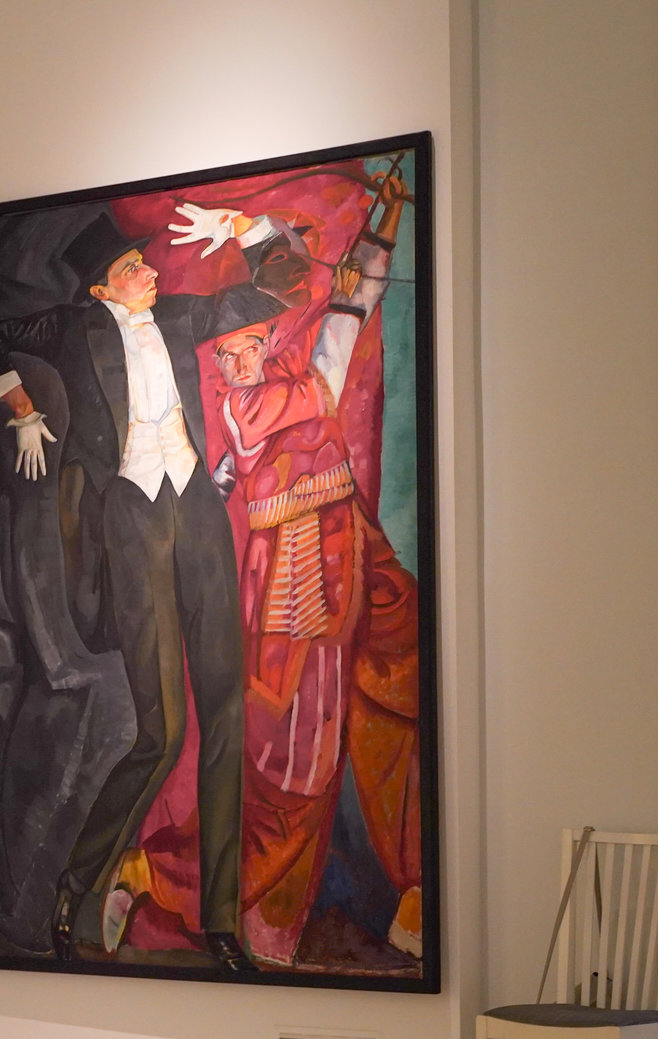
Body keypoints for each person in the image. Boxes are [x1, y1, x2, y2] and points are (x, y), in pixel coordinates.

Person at [0, 205, 290, 972]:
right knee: (161, 733)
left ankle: (220, 922)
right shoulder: (71, 330)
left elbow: (280, 289)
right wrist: (21, 410)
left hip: (196, 511)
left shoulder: (178, 316)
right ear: (102, 290)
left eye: (144, 262)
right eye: (132, 267)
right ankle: (75, 886)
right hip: (129, 521)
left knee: (226, 712)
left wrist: (244, 228)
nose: (149, 271)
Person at [209, 170, 424, 965]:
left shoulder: (293, 359)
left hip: (351, 545)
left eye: (250, 342)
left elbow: (350, 307)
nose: (242, 355)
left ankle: (418, 883)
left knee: (404, 683)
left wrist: (383, 222)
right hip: (295, 573)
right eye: (229, 348)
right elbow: (339, 335)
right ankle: (265, 914)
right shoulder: (252, 402)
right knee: (295, 748)